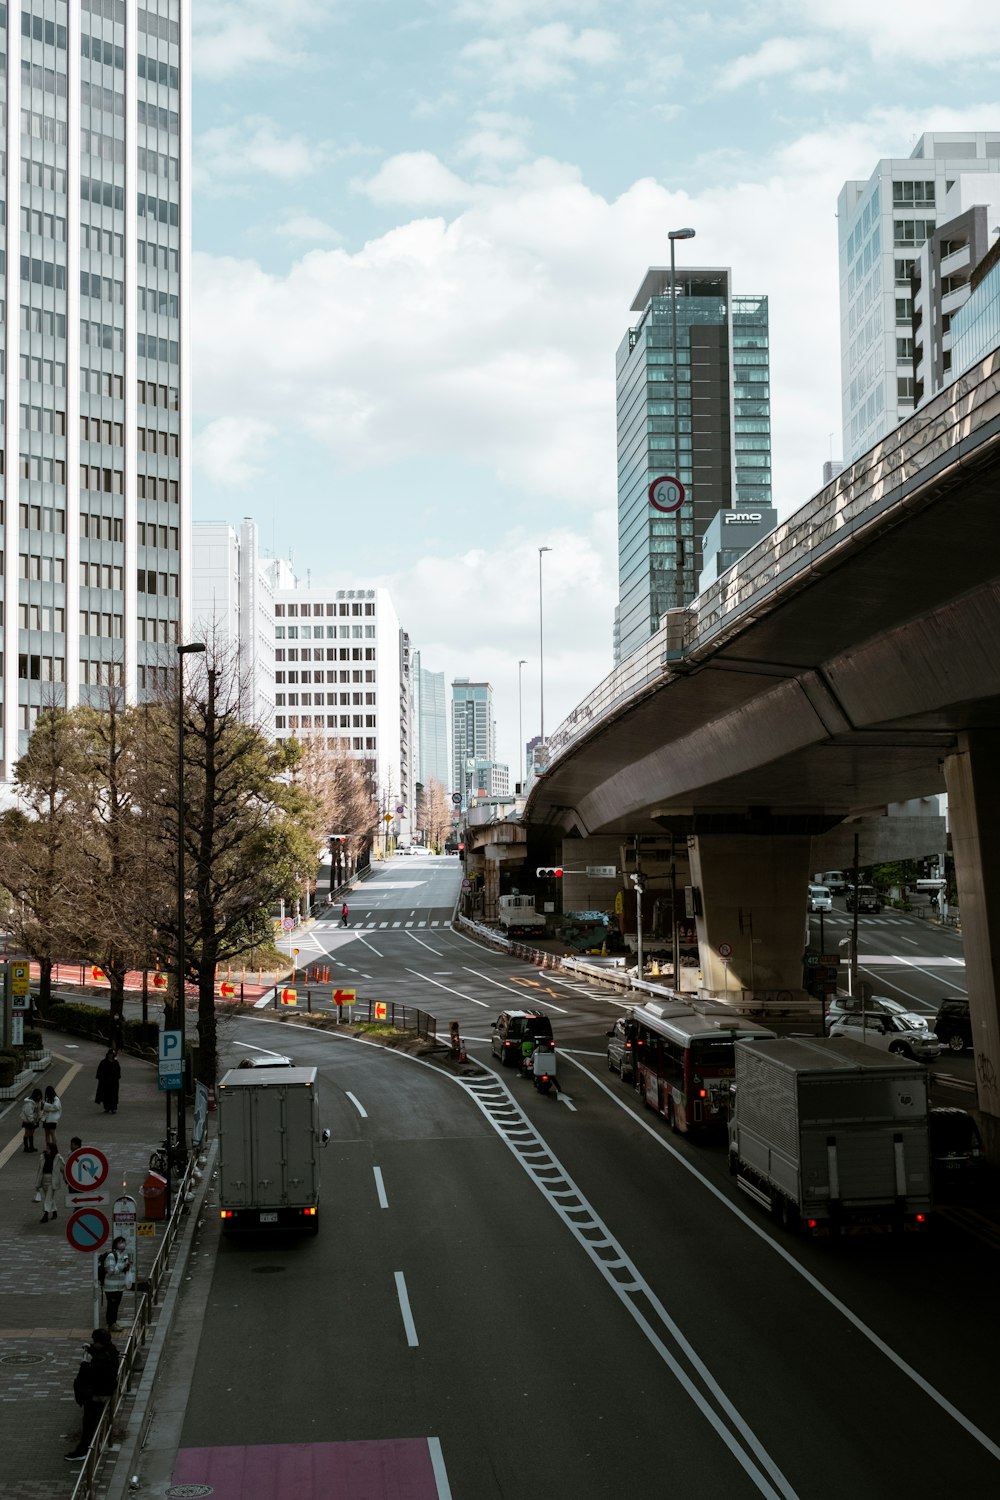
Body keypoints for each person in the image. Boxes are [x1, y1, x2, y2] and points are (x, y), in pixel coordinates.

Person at [65, 1329, 120, 1462]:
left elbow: (92, 1374)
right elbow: (100, 1353)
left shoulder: (101, 1361)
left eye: (96, 1342)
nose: (94, 1344)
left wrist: (85, 1364)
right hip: (102, 1392)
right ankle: (87, 1446)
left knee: (89, 1423)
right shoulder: (110, 1349)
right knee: (91, 1421)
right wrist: (90, 1349)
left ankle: (83, 1450)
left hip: (96, 1395)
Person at [100, 1237, 132, 1332]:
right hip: (111, 1287)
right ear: (115, 1244)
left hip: (119, 1286)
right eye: (120, 1243)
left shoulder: (123, 1255)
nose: (123, 1245)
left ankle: (113, 1322)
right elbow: (111, 1270)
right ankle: (111, 1323)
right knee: (112, 1305)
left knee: (116, 1305)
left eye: (124, 1242)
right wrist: (123, 1266)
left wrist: (126, 1265)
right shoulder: (111, 1256)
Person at [35, 1142, 66, 1223]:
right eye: (47, 1148)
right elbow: (39, 1170)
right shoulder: (42, 1157)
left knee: (48, 1198)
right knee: (49, 1197)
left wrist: (66, 1179)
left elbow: (64, 1169)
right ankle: (54, 1212)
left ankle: (45, 1215)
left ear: (53, 1150)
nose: (47, 1150)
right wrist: (37, 1183)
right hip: (44, 1180)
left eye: (49, 1148)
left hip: (53, 1181)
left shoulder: (58, 1158)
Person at [95, 1049, 121, 1114]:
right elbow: (100, 1071)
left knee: (113, 1095)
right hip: (105, 1082)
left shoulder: (115, 1063)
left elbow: (118, 1072)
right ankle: (107, 1107)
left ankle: (113, 1108)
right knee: (106, 1095)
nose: (110, 1056)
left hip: (113, 1082)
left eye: (112, 1055)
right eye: (110, 1055)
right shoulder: (104, 1062)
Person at [21, 1088, 43, 1153]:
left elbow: (38, 1111)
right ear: (35, 1095)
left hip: (34, 1119)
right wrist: (32, 1121)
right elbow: (28, 1113)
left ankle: (31, 1147)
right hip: (28, 1120)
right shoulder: (29, 1103)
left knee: (31, 1132)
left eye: (40, 1095)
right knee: (27, 1133)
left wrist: (38, 1118)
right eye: (38, 1095)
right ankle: (26, 1147)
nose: (39, 1097)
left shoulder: (37, 1101)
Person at [40, 1085, 61, 1149]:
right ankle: (48, 1147)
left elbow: (56, 1107)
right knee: (47, 1133)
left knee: (52, 1132)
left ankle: (54, 1147)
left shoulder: (56, 1099)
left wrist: (45, 1105)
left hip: (52, 1119)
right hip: (46, 1119)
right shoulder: (47, 1099)